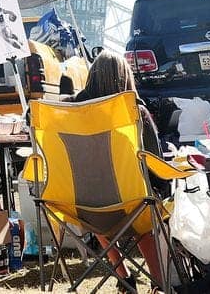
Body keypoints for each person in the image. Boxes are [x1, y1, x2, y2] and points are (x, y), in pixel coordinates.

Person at [72, 51, 167, 289]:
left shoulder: (69, 113)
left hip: (82, 206)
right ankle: (159, 281)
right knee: (141, 212)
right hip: (131, 205)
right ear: (125, 78)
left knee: (99, 206)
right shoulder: (134, 112)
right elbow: (154, 160)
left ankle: (124, 278)